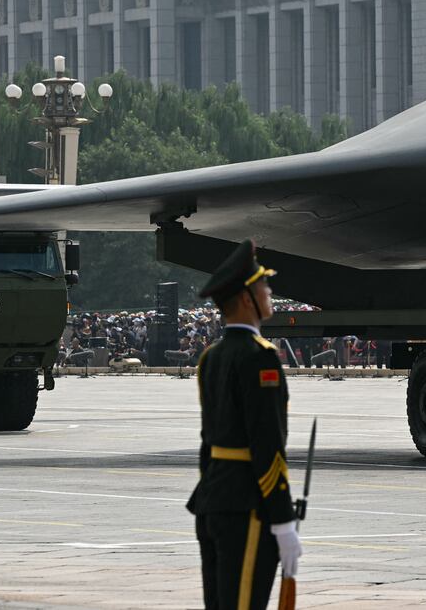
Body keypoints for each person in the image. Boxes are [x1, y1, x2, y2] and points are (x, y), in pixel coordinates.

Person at [188, 239, 302, 610]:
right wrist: (283, 521)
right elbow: (267, 444)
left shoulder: (211, 358)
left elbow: (209, 443)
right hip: (246, 509)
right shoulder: (260, 359)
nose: (269, 291)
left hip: (213, 503)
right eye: (262, 286)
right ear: (244, 299)